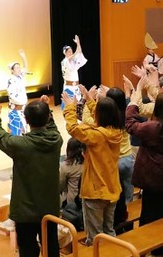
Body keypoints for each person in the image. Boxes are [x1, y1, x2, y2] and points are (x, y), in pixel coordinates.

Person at [0, 96, 63, 257]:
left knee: (28, 249)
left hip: (25, 211)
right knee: (51, 246)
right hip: (49, 207)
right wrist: (46, 110)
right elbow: (52, 127)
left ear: (26, 120)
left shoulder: (21, 145)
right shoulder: (56, 140)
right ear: (47, 118)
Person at [62, 86, 122, 246]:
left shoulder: (96, 136)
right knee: (109, 231)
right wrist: (89, 100)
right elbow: (104, 116)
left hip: (96, 191)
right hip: (112, 188)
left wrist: (70, 107)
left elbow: (73, 128)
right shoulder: (116, 131)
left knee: (95, 238)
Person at [126, 90, 163, 257]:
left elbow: (130, 124)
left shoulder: (153, 128)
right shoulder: (158, 126)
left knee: (149, 214)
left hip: (153, 178)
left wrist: (132, 103)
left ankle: (150, 248)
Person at [61, 35, 87, 108]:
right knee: (69, 106)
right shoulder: (64, 61)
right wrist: (76, 52)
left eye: (71, 51)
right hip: (69, 87)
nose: (71, 53)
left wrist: (78, 43)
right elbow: (73, 56)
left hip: (76, 86)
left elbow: (79, 53)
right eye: (69, 51)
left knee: (78, 105)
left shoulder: (74, 61)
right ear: (65, 53)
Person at [7, 49, 28, 136]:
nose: (19, 69)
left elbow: (25, 67)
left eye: (19, 67)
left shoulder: (20, 77)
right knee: (16, 132)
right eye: (17, 68)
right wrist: (21, 102)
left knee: (24, 130)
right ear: (12, 70)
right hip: (16, 109)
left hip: (23, 108)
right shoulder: (11, 80)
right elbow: (11, 95)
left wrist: (23, 57)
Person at [60, 138, 85, 205]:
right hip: (87, 200)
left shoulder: (66, 166)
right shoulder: (90, 164)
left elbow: (60, 185)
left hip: (72, 202)